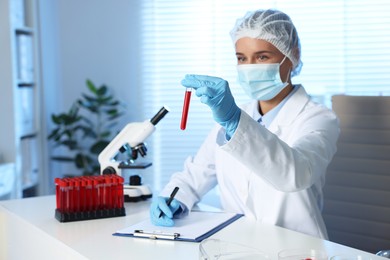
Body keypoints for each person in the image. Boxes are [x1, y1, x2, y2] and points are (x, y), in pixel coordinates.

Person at [149, 8, 339, 239]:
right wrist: (174, 197)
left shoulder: (318, 118)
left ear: (293, 56)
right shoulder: (233, 117)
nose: (249, 67)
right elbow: (197, 173)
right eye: (241, 58)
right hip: (236, 242)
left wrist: (234, 121)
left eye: (262, 57)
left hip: (296, 246)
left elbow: (296, 173)